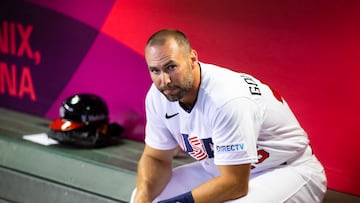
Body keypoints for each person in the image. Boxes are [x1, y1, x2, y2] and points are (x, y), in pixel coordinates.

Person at [130, 29, 327, 203]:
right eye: (155, 70)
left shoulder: (226, 98)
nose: (164, 80)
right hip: (220, 171)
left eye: (171, 67)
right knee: (146, 195)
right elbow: (156, 158)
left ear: (192, 59)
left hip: (287, 170)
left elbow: (235, 183)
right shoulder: (159, 96)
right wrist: (142, 199)